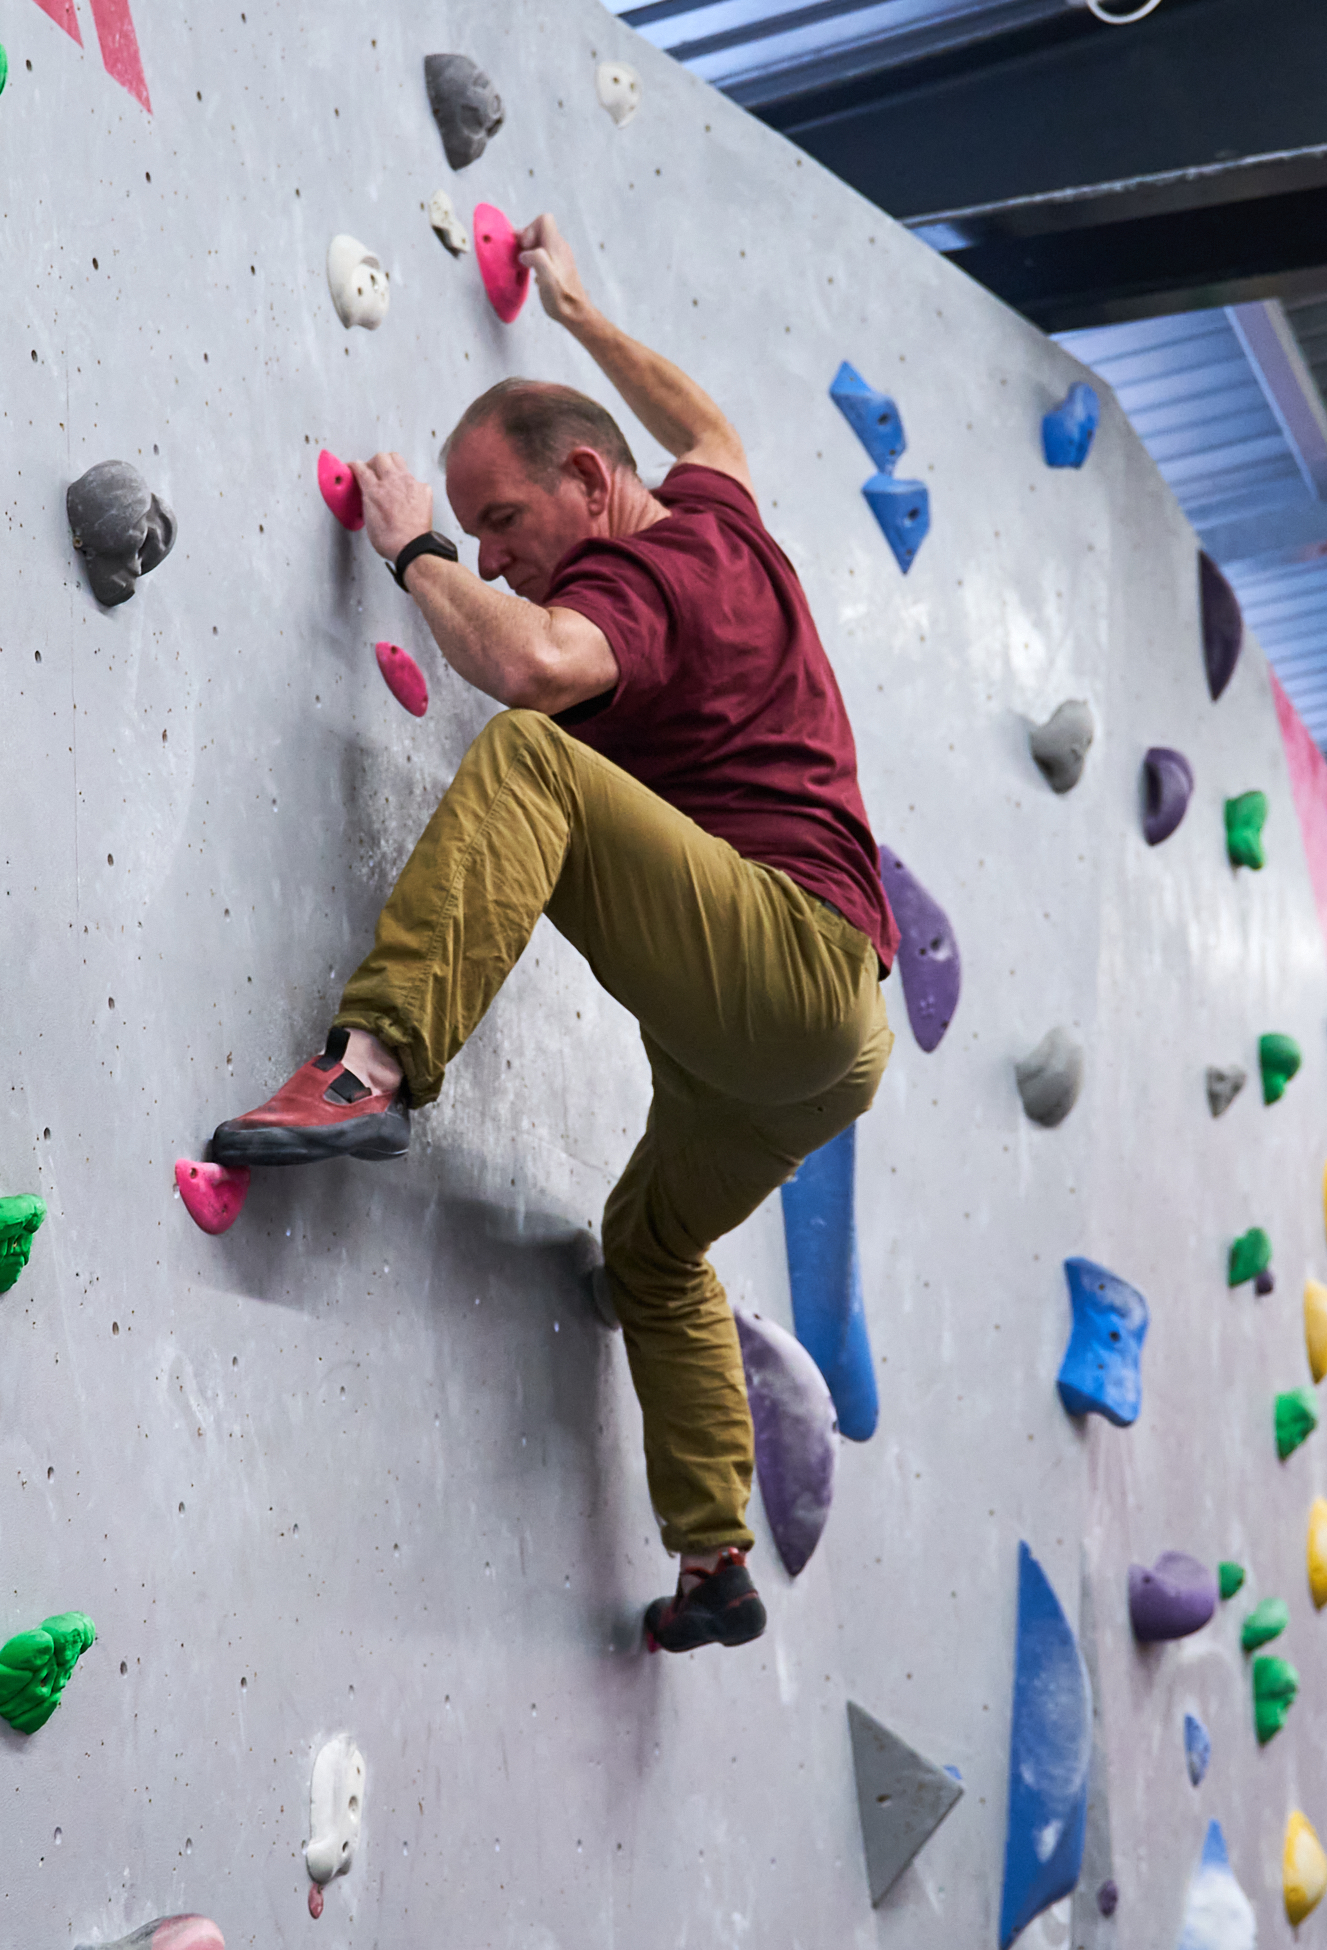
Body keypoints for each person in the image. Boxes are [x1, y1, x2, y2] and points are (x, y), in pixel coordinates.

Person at [203, 214, 895, 1654]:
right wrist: (576, 311)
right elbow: (701, 419)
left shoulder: (637, 594)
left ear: (588, 484)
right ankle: (714, 1558)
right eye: (482, 535)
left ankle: (371, 1070)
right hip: (815, 1057)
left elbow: (525, 666)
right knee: (650, 1249)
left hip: (792, 966)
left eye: (506, 522)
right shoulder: (723, 521)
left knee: (532, 758)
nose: (502, 560)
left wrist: (415, 551)